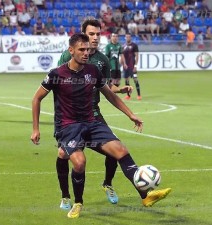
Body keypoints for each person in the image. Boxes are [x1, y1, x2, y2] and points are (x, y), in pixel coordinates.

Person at [31, 33, 172, 219]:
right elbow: (37, 98)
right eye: (81, 50)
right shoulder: (57, 74)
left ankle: (146, 196)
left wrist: (130, 114)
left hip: (92, 123)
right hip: (68, 127)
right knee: (80, 163)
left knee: (121, 150)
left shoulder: (93, 72)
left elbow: (110, 95)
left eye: (87, 50)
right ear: (70, 50)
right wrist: (35, 128)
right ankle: (78, 202)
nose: (86, 53)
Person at [57, 19, 133, 210]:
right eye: (92, 34)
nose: (96, 38)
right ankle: (66, 197)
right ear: (83, 35)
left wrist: (120, 89)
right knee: (63, 155)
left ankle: (107, 184)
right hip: (71, 117)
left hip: (94, 115)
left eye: (99, 34)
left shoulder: (102, 60)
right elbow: (60, 83)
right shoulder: (68, 56)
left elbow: (105, 87)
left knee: (115, 150)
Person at [123, 33, 142, 100]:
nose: (128, 38)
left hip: (132, 66)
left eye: (129, 37)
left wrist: (135, 65)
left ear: (131, 38)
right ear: (125, 38)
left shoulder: (134, 45)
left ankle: (139, 95)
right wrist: (123, 64)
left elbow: (137, 55)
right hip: (126, 66)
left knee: (135, 79)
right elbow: (122, 56)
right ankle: (128, 95)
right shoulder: (123, 46)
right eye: (127, 37)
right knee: (126, 80)